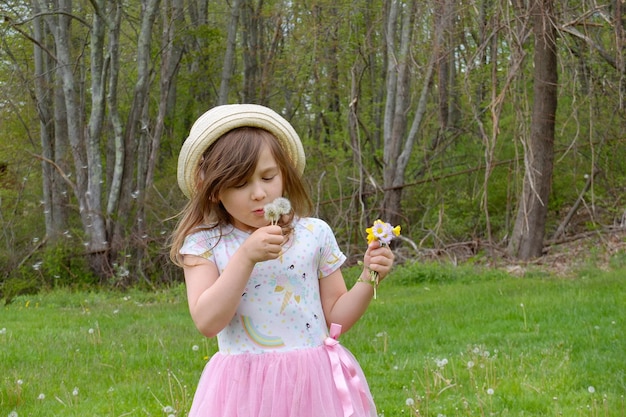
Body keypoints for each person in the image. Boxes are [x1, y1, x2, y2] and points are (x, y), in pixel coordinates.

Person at [170, 104, 395, 417]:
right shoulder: (205, 244)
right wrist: (245, 256)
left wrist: (369, 276)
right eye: (240, 183)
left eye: (268, 176)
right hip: (243, 389)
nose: (259, 193)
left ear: (284, 175)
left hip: (313, 384)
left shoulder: (314, 233)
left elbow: (336, 320)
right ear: (213, 191)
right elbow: (208, 322)